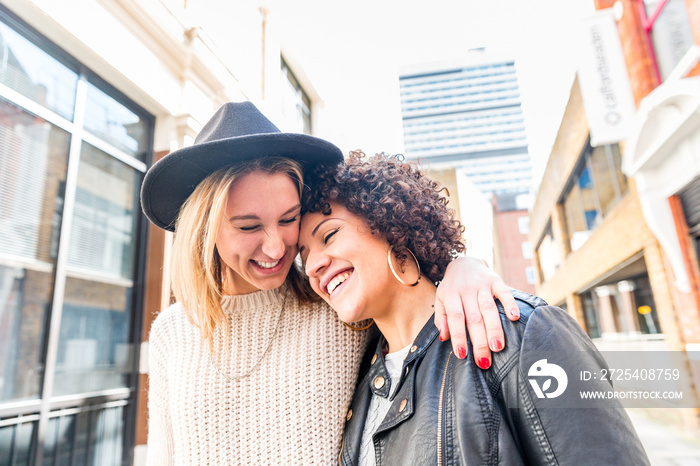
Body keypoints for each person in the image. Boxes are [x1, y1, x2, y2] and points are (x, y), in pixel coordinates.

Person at [139, 102, 518, 464]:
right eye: (249, 226)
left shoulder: (336, 307)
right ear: (204, 229)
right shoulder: (171, 334)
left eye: (288, 219)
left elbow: (407, 296)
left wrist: (462, 266)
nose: (275, 247)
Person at [298, 151, 650, 465]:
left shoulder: (519, 331)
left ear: (389, 227)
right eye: (304, 256)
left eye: (328, 236)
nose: (313, 265)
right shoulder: (357, 377)